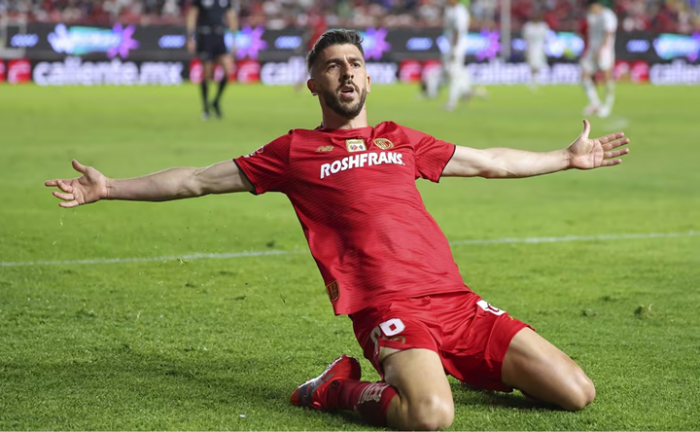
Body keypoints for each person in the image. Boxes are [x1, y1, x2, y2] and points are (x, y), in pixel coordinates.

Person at [45, 29, 630, 430]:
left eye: (354, 65)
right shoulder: (294, 152)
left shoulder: (401, 139)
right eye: (332, 66)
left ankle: (454, 364)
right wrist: (110, 186)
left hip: (455, 300)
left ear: (368, 80)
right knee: (431, 416)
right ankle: (333, 388)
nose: (346, 73)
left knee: (576, 392)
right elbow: (196, 180)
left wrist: (565, 157)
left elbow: (491, 161)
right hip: (387, 306)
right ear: (314, 85)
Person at [186, 0, 238, 119]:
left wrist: (234, 38)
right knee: (207, 72)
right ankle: (205, 108)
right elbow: (192, 15)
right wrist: (190, 37)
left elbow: (231, 16)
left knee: (228, 69)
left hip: (219, 35)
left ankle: (216, 101)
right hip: (205, 35)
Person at [424, 0, 475, 110]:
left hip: (456, 47)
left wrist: (454, 50)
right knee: (447, 72)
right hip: (449, 46)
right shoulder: (450, 9)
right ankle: (466, 91)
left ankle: (451, 103)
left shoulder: (460, 12)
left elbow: (458, 31)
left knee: (454, 74)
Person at [580, 0, 618, 118]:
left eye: (591, 7)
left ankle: (607, 106)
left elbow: (609, 32)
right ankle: (595, 103)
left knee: (607, 76)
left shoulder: (608, 16)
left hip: (605, 49)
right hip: (592, 49)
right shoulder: (591, 16)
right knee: (585, 74)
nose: (590, 10)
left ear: (597, 5)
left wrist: (602, 50)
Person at [522, 11, 551, 90]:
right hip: (531, 49)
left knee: (539, 65)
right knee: (532, 65)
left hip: (540, 49)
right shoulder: (528, 26)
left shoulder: (543, 26)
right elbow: (525, 38)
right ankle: (532, 80)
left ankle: (537, 79)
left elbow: (546, 38)